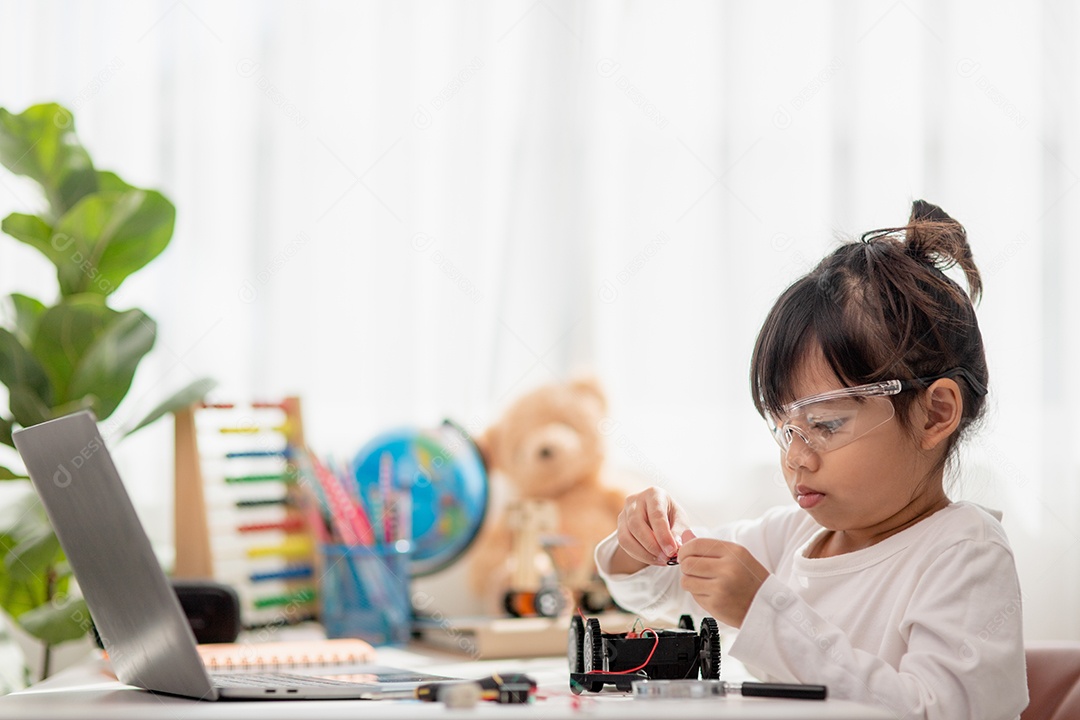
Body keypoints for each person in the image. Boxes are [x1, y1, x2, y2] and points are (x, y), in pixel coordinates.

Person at [595, 200, 1028, 720]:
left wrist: (767, 614)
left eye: (825, 425)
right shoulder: (791, 538)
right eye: (786, 429)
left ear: (935, 414)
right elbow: (653, 587)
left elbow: (938, 712)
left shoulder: (964, 554)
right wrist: (642, 540)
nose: (797, 457)